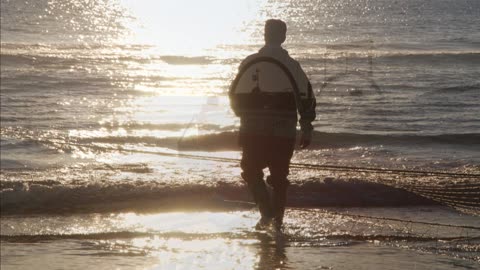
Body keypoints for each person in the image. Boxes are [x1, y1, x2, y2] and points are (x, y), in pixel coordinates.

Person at [229, 19, 316, 229]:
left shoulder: (249, 62)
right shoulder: (293, 65)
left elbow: (234, 94)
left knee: (251, 171)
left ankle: (266, 213)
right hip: (283, 131)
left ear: (265, 35)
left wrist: (242, 114)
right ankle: (277, 220)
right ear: (283, 36)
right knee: (279, 177)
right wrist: (306, 126)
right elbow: (307, 97)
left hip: (252, 129)